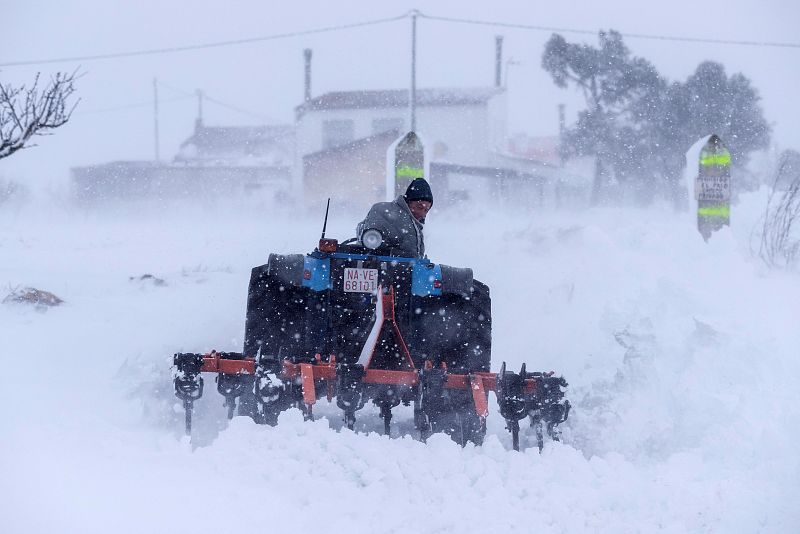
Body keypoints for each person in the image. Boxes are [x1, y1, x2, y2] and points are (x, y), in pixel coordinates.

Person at [356, 178, 433, 258]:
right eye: (419, 207)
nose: (422, 213)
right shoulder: (384, 211)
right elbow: (371, 246)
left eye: (426, 210)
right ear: (408, 202)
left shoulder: (415, 227)